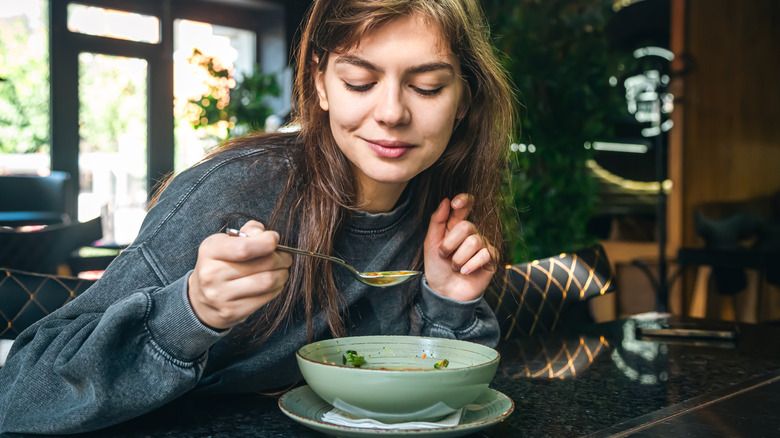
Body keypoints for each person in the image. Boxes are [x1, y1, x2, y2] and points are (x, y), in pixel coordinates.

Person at [0, 0, 516, 434]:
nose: (392, 112)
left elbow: (438, 406)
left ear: (464, 99)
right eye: (360, 81)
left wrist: (448, 303)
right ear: (320, 84)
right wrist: (192, 310)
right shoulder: (236, 192)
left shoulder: (442, 208)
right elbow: (21, 393)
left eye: (426, 87)